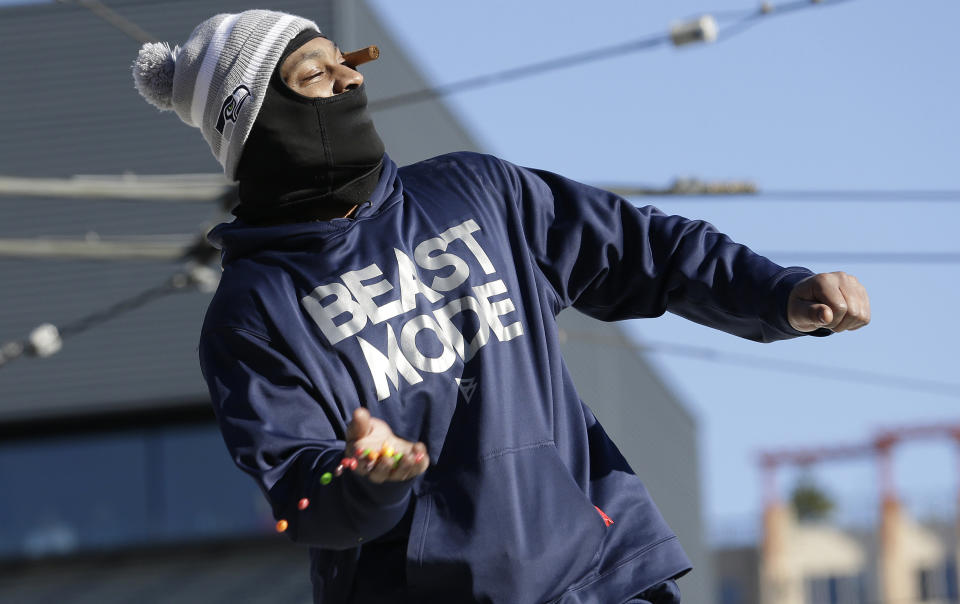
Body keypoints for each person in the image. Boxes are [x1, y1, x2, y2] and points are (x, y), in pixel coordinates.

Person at [132, 10, 869, 604]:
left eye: (344, 61)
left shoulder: (476, 190)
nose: (347, 80)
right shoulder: (252, 311)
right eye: (314, 74)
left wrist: (776, 293)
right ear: (255, 119)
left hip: (604, 574)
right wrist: (361, 480)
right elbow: (298, 491)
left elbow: (646, 250)